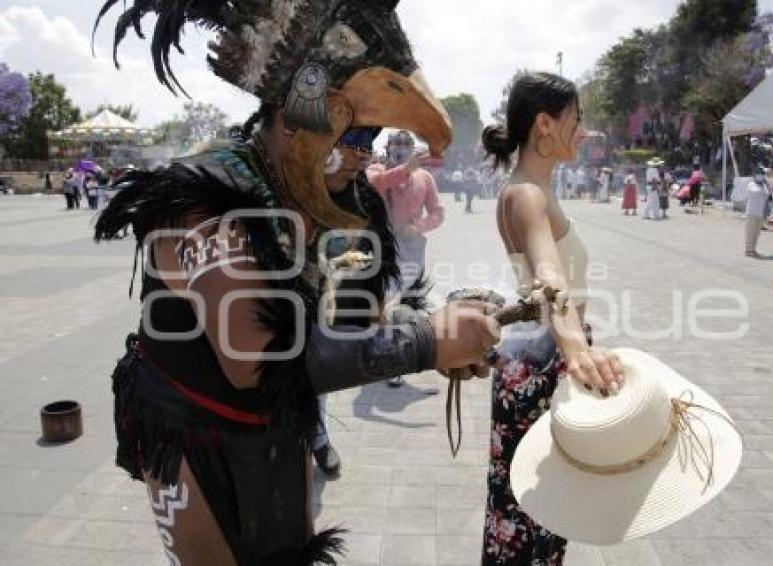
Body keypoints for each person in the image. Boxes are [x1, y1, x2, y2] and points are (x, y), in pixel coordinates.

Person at [92, 2, 501, 564]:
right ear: (299, 112)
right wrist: (427, 341)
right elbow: (252, 361)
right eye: (349, 130)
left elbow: (359, 320)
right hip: (192, 428)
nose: (361, 154)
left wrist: (444, 332)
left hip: (279, 423)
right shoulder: (209, 196)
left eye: (370, 137)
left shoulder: (345, 204)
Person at [480, 71, 624, 565]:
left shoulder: (528, 190)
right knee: (532, 513)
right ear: (545, 123)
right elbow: (549, 279)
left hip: (537, 357)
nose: (583, 131)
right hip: (542, 363)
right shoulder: (527, 195)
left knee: (528, 507)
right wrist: (577, 351)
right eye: (576, 119)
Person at [367, 130, 446, 387]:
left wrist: (419, 226)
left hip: (412, 251)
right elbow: (375, 185)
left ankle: (401, 357)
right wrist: (404, 169)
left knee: (408, 305)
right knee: (387, 303)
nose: (400, 149)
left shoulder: (424, 178)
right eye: (395, 145)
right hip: (382, 250)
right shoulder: (376, 169)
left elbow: (438, 213)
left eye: (405, 145)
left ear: (413, 147)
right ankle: (388, 359)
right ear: (387, 147)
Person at [744, 168, 771, 258]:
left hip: (761, 213)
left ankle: (753, 249)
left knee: (756, 233)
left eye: (762, 175)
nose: (760, 176)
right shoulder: (751, 184)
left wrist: (766, 185)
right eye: (759, 174)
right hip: (751, 212)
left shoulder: (764, 185)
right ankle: (748, 250)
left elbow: (768, 196)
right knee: (750, 233)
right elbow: (755, 192)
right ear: (755, 175)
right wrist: (763, 187)